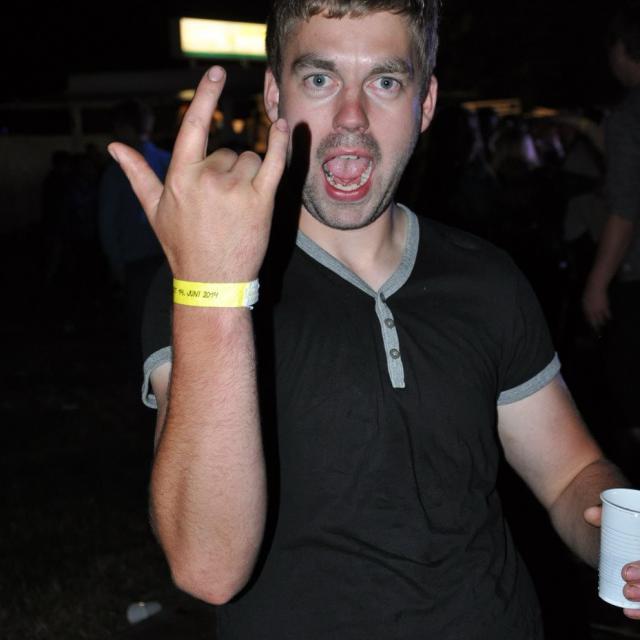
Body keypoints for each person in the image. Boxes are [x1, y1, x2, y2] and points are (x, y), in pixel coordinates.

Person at [109, 2, 640, 638]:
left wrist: (625, 544)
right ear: (275, 97)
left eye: (385, 81)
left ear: (425, 103)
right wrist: (214, 289)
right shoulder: (202, 282)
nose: (351, 116)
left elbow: (570, 475)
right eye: (320, 79)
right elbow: (208, 568)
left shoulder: (487, 278)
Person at [583, 4, 640, 464]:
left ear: (623, 50)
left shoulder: (627, 116)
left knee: (629, 385)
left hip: (637, 277)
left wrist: (597, 283)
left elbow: (625, 206)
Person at [99, 99, 170, 374]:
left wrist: (115, 263)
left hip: (137, 262)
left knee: (142, 325)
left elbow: (107, 222)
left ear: (123, 127)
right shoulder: (169, 160)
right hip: (172, 257)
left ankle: (145, 380)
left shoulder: (116, 169)